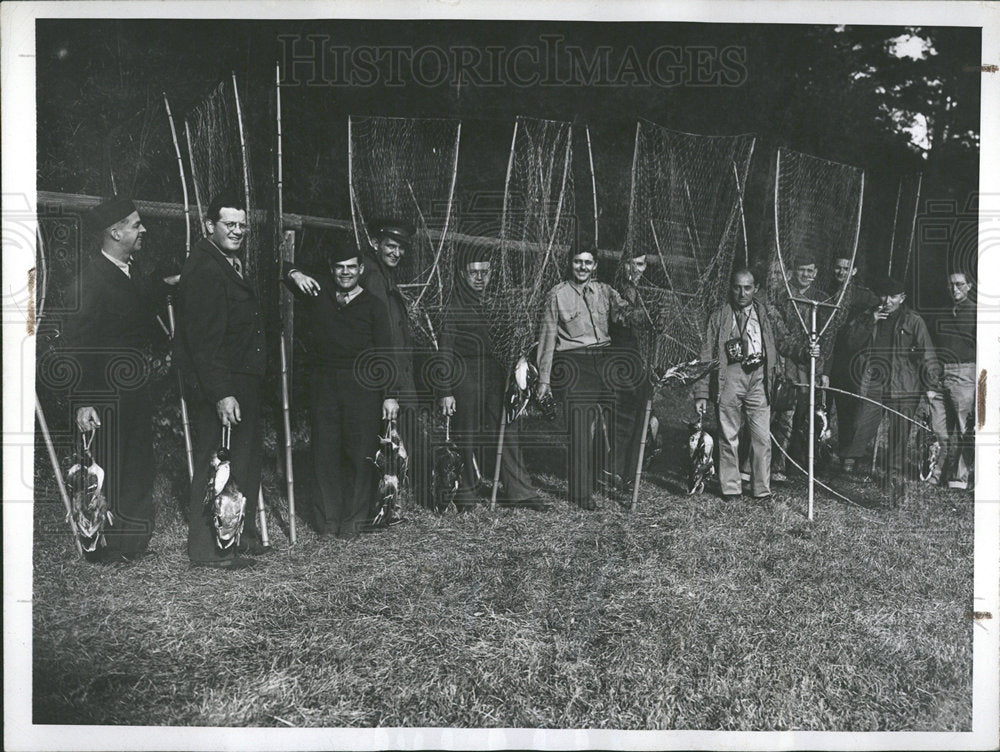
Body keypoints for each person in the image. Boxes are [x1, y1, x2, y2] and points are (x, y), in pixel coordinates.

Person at [63, 196, 173, 561]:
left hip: (134, 388)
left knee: (138, 463)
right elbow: (77, 346)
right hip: (103, 394)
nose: (143, 230)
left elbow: (141, 307)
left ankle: (131, 544)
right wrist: (83, 401)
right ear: (115, 231)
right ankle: (102, 546)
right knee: (108, 466)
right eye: (136, 225)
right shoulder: (90, 279)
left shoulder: (130, 273)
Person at [176, 191, 268, 569]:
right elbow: (203, 342)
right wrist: (222, 392)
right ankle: (208, 551)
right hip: (224, 385)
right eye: (229, 224)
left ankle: (236, 537)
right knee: (217, 464)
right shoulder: (205, 269)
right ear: (209, 226)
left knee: (241, 463)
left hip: (240, 381)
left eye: (242, 225)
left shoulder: (227, 262)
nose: (237, 231)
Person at [283, 242, 399, 537]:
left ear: (361, 269)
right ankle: (327, 519)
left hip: (363, 387)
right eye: (339, 267)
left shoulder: (373, 304)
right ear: (331, 270)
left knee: (360, 453)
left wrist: (389, 395)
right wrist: (294, 272)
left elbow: (385, 352)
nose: (345, 273)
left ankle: (354, 519)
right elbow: (277, 268)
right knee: (325, 449)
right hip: (324, 385)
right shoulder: (318, 294)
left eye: (351, 267)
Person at [437, 246, 545, 510]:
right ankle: (466, 494)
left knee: (506, 429)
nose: (479, 278)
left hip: (496, 376)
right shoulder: (454, 304)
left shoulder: (497, 303)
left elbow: (507, 340)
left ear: (491, 273)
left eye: (484, 272)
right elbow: (445, 349)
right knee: (467, 433)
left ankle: (520, 491)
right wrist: (445, 390)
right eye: (473, 272)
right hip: (465, 375)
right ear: (463, 274)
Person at [537, 247, 630, 510]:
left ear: (596, 266)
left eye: (588, 263)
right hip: (575, 362)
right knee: (581, 424)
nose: (583, 267)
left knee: (627, 411)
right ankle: (580, 492)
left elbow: (625, 315)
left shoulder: (605, 291)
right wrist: (544, 379)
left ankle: (615, 471)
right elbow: (547, 338)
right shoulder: (557, 295)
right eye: (578, 262)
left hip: (605, 359)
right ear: (570, 264)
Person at [838, 277, 941, 505]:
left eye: (893, 296)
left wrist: (931, 385)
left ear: (902, 298)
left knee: (899, 429)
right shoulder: (868, 315)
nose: (887, 301)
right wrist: (869, 322)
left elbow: (927, 352)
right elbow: (850, 343)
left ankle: (892, 471)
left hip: (904, 384)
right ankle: (850, 460)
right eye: (884, 295)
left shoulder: (913, 320)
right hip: (874, 380)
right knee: (862, 421)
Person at [360, 218, 431, 517]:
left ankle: (401, 498)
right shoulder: (373, 276)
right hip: (389, 372)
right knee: (397, 435)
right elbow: (383, 333)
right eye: (391, 245)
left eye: (401, 248)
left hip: (397, 369)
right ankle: (419, 496)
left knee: (400, 435)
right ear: (376, 243)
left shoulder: (384, 274)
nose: (396, 252)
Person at [694, 267, 785, 501]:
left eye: (747, 288)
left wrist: (807, 351)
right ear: (731, 288)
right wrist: (702, 392)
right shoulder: (719, 315)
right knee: (728, 435)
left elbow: (785, 342)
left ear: (756, 289)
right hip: (729, 378)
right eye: (737, 287)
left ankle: (761, 489)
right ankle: (731, 488)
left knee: (761, 437)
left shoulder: (767, 314)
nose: (742, 293)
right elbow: (706, 354)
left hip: (758, 379)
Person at [771, 253, 829, 481]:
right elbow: (782, 337)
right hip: (785, 366)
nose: (805, 275)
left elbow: (826, 339)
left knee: (801, 419)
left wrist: (821, 369)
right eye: (801, 270)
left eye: (809, 271)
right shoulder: (783, 298)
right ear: (793, 272)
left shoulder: (821, 300)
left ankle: (792, 466)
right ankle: (772, 466)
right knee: (781, 415)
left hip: (808, 369)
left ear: (815, 274)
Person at [825, 255, 879, 464]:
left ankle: (846, 453)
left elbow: (877, 310)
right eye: (838, 268)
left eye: (846, 268)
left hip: (850, 360)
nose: (841, 272)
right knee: (822, 406)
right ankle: (819, 451)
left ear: (854, 271)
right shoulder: (827, 292)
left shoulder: (864, 296)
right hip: (828, 356)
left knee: (847, 408)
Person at [609, 251, 654, 490]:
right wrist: (647, 315)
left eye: (642, 264)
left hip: (639, 360)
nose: (638, 269)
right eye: (634, 264)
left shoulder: (643, 292)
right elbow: (619, 316)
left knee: (640, 417)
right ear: (624, 265)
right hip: (621, 359)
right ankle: (614, 470)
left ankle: (628, 473)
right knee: (623, 416)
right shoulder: (615, 288)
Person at [927, 270, 976, 489]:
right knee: (939, 428)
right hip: (940, 374)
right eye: (951, 285)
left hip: (965, 373)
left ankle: (960, 477)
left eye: (959, 284)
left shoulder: (976, 313)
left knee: (965, 428)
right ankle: (936, 473)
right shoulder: (942, 313)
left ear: (969, 286)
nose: (954, 289)